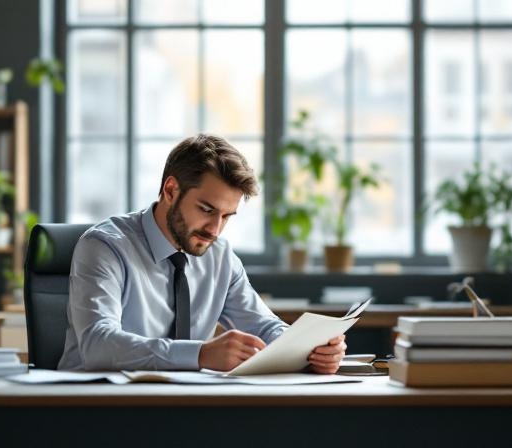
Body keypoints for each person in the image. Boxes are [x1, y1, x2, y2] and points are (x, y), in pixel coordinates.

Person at [58, 134, 346, 373]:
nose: (215, 229)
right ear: (170, 190)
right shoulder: (105, 247)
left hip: (185, 407)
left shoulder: (219, 258)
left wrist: (310, 349)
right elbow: (98, 344)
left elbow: (264, 326)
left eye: (226, 216)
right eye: (206, 210)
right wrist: (199, 355)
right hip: (96, 407)